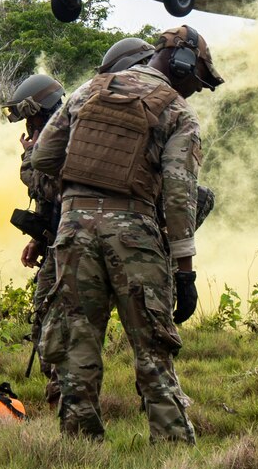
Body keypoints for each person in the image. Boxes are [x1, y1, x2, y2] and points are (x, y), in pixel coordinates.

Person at [28, 26, 222, 443]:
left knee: (77, 338)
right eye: (195, 80)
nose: (193, 90)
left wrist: (85, 183)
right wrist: (184, 271)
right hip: (133, 232)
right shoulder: (177, 112)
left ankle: (79, 442)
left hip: (73, 228)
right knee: (153, 343)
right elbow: (178, 193)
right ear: (183, 63)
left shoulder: (86, 91)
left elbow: (44, 156)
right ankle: (171, 443)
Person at [3, 74, 67, 400]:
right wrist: (38, 239)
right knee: (44, 312)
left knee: (55, 318)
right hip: (58, 240)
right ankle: (60, 388)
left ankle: (65, 392)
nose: (28, 126)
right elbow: (50, 203)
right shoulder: (53, 138)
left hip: (74, 244)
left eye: (31, 118)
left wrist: (30, 157)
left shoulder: (66, 137)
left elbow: (46, 186)